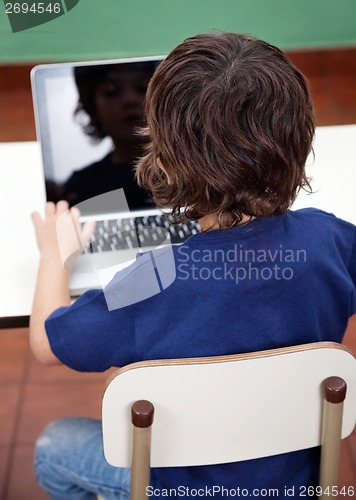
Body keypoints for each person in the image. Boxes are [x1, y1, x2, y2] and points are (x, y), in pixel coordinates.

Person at [30, 32, 356, 499]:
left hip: (178, 487)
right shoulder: (331, 239)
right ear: (301, 137)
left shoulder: (151, 280)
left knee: (53, 445)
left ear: (163, 157)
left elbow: (46, 342)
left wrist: (53, 257)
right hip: (298, 482)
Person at [48, 61, 157, 210]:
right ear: (91, 108)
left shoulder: (188, 166)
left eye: (143, 87)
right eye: (112, 91)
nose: (129, 99)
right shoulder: (82, 187)